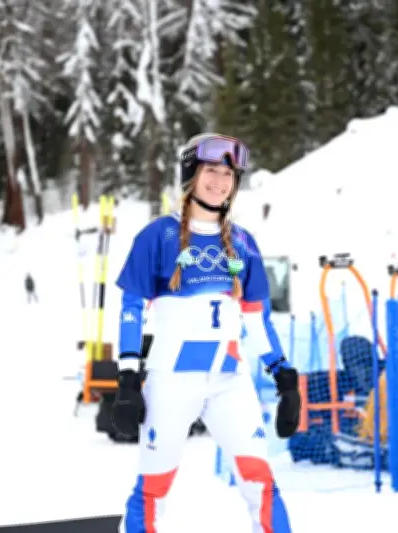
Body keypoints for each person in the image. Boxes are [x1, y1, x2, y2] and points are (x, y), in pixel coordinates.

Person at [112, 133, 298, 533]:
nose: (220, 181)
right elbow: (131, 308)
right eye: (211, 170)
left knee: (261, 483)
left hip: (230, 379)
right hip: (172, 380)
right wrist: (127, 376)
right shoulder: (158, 236)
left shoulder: (243, 243)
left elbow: (257, 319)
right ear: (190, 175)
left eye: (229, 174)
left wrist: (283, 374)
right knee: (153, 489)